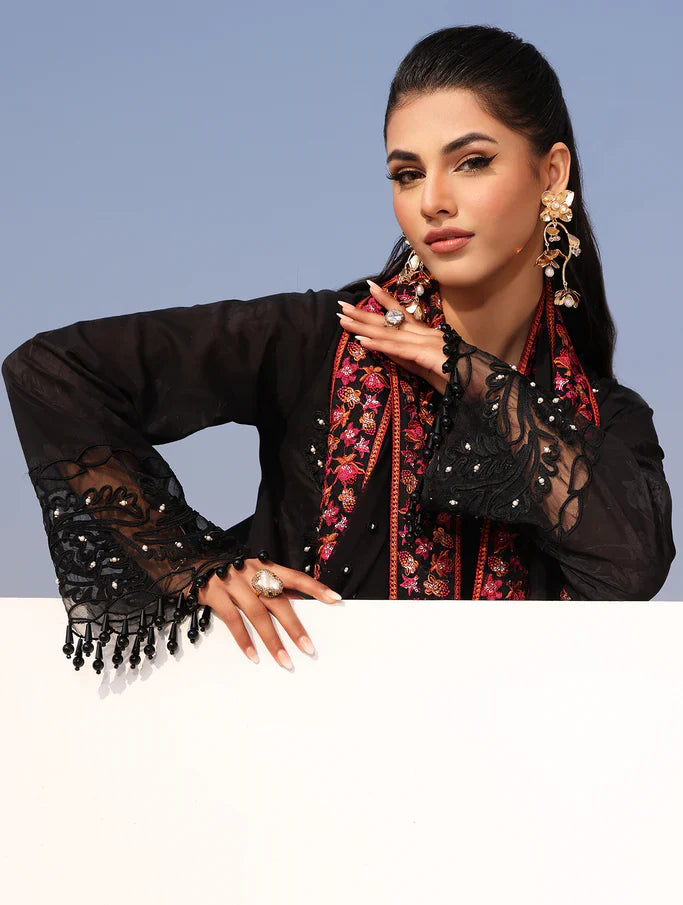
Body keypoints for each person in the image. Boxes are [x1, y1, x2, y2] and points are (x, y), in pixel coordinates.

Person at [2, 25, 675, 678]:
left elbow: (630, 567)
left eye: (471, 162)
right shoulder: (324, 338)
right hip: (294, 736)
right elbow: (53, 373)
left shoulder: (603, 417)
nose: (433, 201)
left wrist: (465, 374)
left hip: (491, 748)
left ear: (551, 173)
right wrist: (190, 565)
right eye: (407, 173)